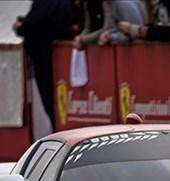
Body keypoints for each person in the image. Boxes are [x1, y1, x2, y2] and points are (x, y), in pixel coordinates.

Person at [13, 0, 73, 131]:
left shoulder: (45, 3)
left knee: (51, 102)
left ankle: (57, 133)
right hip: (53, 56)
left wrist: (19, 27)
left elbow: (32, 24)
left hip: (45, 56)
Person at [73, 0, 143, 48]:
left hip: (134, 53)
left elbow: (135, 34)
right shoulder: (108, 2)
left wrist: (109, 36)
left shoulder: (122, 3)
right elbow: (113, 28)